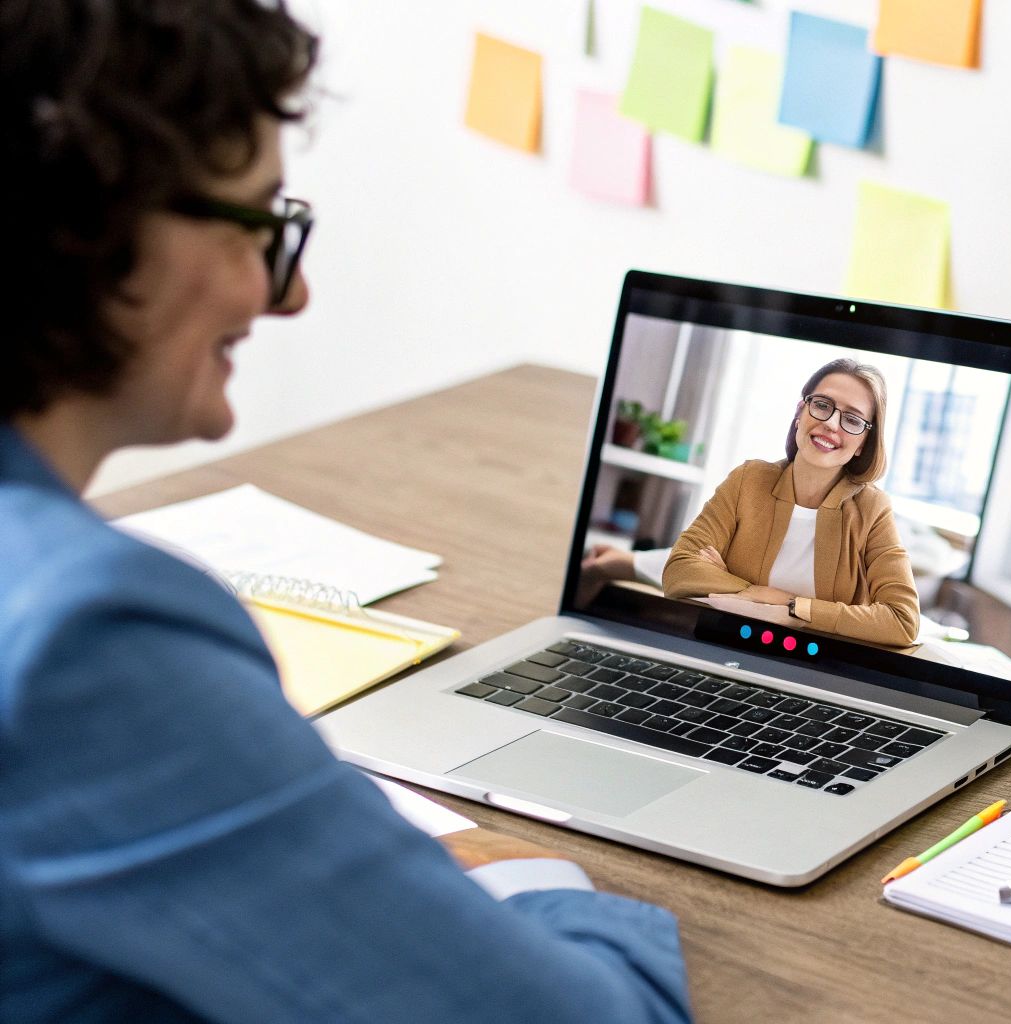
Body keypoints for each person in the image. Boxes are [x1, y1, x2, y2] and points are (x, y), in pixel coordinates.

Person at [0, 3, 690, 1021]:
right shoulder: (82, 642)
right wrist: (537, 877)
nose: (291, 297)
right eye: (259, 226)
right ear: (89, 224)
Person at [661, 359, 921, 648]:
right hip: (725, 647)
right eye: (822, 405)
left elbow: (903, 621)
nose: (830, 424)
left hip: (816, 666)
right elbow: (679, 570)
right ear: (800, 412)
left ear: (863, 443)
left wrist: (793, 605)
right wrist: (761, 594)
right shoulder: (749, 479)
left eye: (852, 420)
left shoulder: (872, 509)